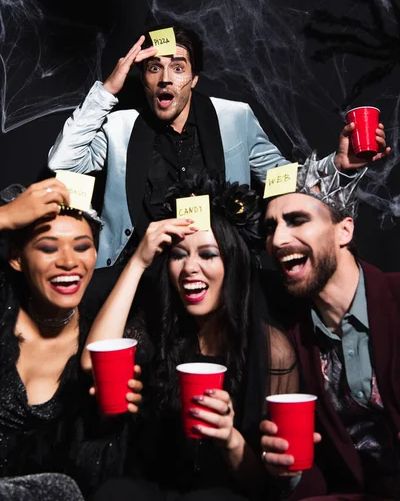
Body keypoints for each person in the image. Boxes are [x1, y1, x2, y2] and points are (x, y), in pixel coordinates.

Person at [47, 24, 389, 268]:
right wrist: (107, 89)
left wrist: (339, 165)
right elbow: (63, 163)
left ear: (194, 78)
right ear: (144, 79)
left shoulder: (234, 118)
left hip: (219, 271)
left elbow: (282, 179)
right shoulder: (120, 127)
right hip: (139, 271)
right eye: (155, 68)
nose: (166, 78)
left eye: (178, 67)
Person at [82, 176, 299, 501]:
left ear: (233, 264)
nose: (189, 269)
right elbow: (91, 362)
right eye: (179, 255)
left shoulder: (271, 348)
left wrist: (229, 438)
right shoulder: (156, 328)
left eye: (208, 255)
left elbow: (268, 488)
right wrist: (140, 261)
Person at [259, 153, 400, 501]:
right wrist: (289, 472)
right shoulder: (291, 344)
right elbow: (325, 481)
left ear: (344, 230)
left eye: (296, 220)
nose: (277, 240)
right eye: (271, 227)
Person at [0, 179, 143, 497]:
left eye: (82, 246)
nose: (68, 261)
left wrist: (107, 422)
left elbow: (92, 476)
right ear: (16, 258)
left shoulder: (103, 338)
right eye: (48, 247)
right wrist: (5, 217)